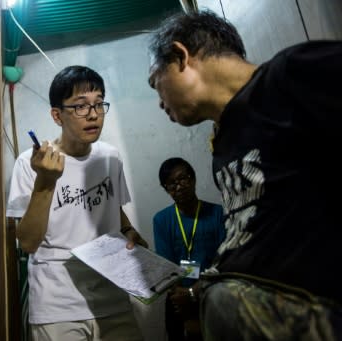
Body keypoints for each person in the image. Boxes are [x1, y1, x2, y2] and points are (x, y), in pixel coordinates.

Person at [147, 9, 342, 341]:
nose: (160, 102)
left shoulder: (290, 76)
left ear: (181, 57)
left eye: (156, 83)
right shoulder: (224, 142)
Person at [6, 65, 147, 341]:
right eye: (81, 106)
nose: (93, 114)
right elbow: (28, 243)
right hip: (57, 305)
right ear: (57, 115)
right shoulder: (29, 163)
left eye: (98, 104)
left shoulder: (110, 156)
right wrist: (45, 181)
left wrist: (130, 232)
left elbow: (113, 210)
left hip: (112, 297)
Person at [153, 157, 225, 341]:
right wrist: (184, 306)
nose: (178, 186)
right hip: (177, 298)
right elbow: (166, 266)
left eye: (183, 178)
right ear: (165, 189)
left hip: (213, 294)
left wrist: (195, 292)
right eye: (171, 184)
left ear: (193, 179)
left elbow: (224, 260)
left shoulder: (218, 213)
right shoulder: (161, 220)